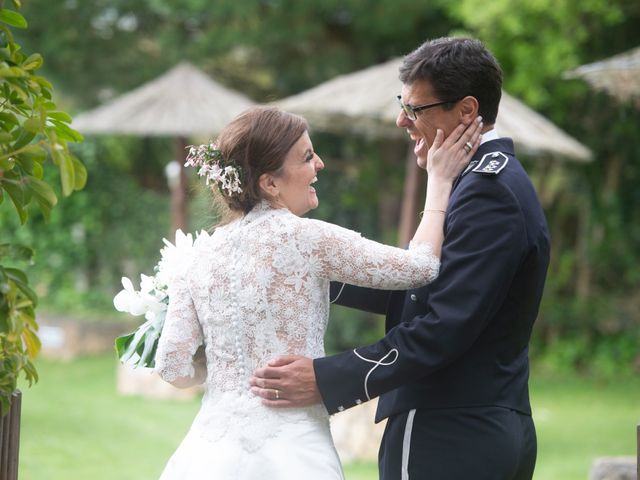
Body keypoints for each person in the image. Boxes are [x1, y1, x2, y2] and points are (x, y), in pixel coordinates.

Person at [250, 38, 551, 480]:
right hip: (472, 430)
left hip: (449, 433)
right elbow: (425, 290)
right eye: (402, 105)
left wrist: (327, 378)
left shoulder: (489, 193)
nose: (401, 121)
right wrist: (308, 270)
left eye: (415, 109)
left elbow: (443, 327)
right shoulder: (481, 183)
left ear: (467, 111)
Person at [154, 105, 482, 479]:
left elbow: (172, 367)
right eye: (307, 157)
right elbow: (421, 268)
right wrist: (439, 182)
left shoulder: (198, 256)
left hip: (208, 456)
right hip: (292, 452)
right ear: (269, 183)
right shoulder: (306, 239)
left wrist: (230, 365)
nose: (320, 164)